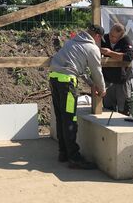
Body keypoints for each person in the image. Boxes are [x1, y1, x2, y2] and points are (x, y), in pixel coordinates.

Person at [49, 24, 106, 170]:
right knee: (70, 119)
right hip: (67, 84)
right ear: (98, 36)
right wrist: (102, 88)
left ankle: (63, 153)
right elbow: (97, 71)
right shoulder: (92, 48)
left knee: (61, 117)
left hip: (54, 80)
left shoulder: (72, 42)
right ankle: (74, 158)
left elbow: (79, 69)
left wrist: (91, 84)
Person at [100, 23, 133, 115]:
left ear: (121, 37)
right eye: (110, 34)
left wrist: (110, 53)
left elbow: (129, 56)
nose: (110, 37)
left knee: (124, 109)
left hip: (122, 80)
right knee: (107, 109)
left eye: (114, 36)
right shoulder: (104, 38)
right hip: (107, 79)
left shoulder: (126, 40)